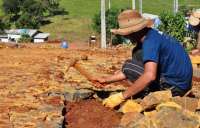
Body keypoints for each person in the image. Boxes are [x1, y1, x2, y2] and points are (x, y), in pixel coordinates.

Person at [92, 10, 193, 108]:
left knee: (130, 66)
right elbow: (131, 69)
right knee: (134, 59)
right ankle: (142, 90)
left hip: (174, 88)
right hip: (182, 84)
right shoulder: (153, 35)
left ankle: (147, 93)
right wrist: (106, 80)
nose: (126, 37)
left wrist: (121, 96)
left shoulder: (150, 42)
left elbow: (150, 75)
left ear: (133, 32)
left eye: (126, 34)